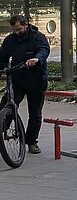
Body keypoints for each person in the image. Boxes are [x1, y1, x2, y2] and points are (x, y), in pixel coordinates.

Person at [0, 15, 50, 154]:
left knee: (35, 113)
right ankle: (2, 129)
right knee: (6, 105)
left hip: (36, 79)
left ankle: (32, 142)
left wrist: (36, 59)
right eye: (14, 30)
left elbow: (44, 50)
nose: (17, 32)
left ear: (25, 25)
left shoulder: (38, 37)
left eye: (19, 29)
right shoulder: (10, 40)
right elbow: (2, 57)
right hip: (18, 79)